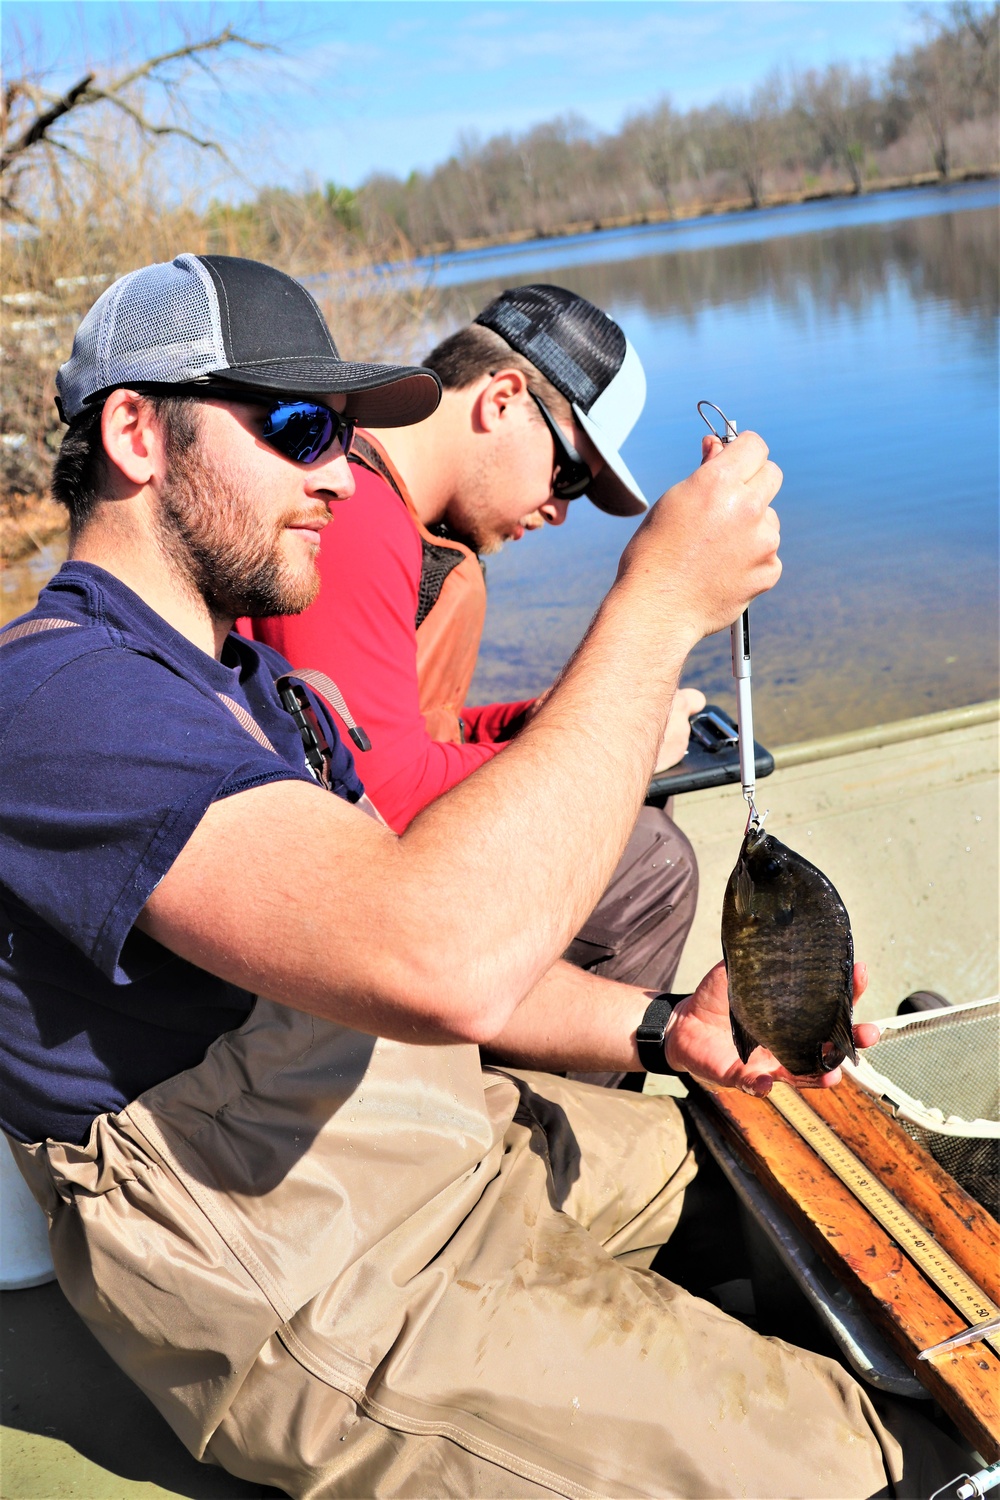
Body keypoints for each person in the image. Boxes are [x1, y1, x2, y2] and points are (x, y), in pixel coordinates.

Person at [0, 253, 963, 1499]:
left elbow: (418, 967)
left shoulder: (245, 682)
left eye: (342, 438)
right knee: (889, 1469)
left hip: (435, 1143)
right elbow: (436, 955)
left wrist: (670, 1027)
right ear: (137, 431)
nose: (340, 477)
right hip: (321, 1283)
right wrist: (658, 600)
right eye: (298, 429)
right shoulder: (57, 696)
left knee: (821, 1177)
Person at [247, 287, 706, 1037]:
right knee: (653, 865)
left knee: (632, 809)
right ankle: (543, 1117)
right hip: (321, 916)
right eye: (572, 476)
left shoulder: (378, 505)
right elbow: (384, 792)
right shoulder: (356, 517)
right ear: (500, 400)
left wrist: (541, 723)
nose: (560, 511)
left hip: (331, 873)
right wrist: (600, 750)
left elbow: (385, 730)